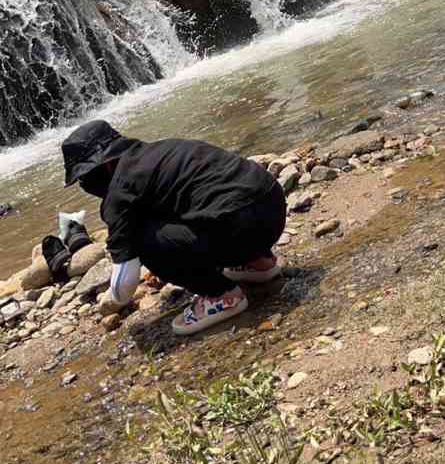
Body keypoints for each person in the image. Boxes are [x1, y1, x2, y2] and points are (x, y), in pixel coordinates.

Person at [62, 121, 286, 337]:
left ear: (105, 164)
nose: (85, 184)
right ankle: (260, 263)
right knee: (203, 207)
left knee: (143, 239)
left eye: (84, 177)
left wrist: (111, 301)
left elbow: (124, 286)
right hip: (273, 207)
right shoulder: (163, 149)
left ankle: (222, 296)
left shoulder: (119, 192)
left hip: (239, 229)